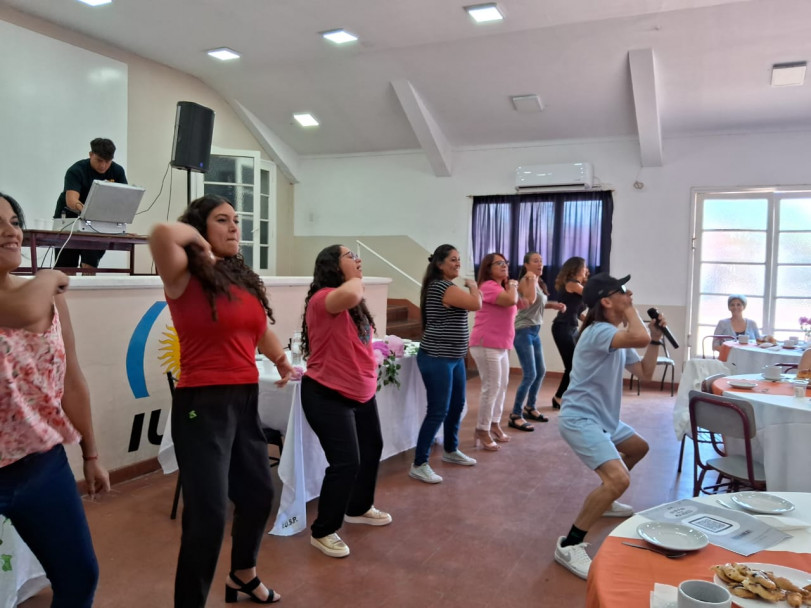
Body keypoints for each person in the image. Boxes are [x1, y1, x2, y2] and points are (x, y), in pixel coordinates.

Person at [149, 194, 291, 606]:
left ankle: (243, 575)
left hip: (244, 399)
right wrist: (200, 243)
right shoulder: (184, 275)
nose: (234, 227)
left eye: (236, 221)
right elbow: (160, 232)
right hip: (201, 405)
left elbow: (258, 327)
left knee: (258, 495)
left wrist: (281, 359)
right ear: (200, 228)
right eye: (222, 220)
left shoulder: (242, 279)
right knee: (208, 516)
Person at [0, 191, 110, 607]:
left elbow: (70, 381)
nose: (10, 231)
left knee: (79, 576)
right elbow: (27, 308)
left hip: (40, 464)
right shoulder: (39, 294)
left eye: (14, 221)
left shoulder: (48, 299)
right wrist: (49, 277)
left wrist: (91, 453)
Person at [553, 273, 665, 580]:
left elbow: (645, 373)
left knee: (638, 447)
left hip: (603, 419)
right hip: (580, 419)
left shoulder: (613, 334)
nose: (630, 294)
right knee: (618, 479)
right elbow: (637, 335)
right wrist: (633, 312)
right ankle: (570, 544)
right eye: (623, 291)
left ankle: (607, 496)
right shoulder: (599, 331)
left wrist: (655, 337)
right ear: (606, 300)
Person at [300, 245, 391, 558]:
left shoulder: (352, 304)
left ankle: (358, 507)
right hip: (326, 393)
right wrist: (353, 277)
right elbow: (352, 293)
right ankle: (323, 530)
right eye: (350, 256)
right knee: (346, 462)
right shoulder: (323, 297)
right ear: (332, 266)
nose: (358, 260)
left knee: (372, 448)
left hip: (360, 392)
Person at [409, 245, 482, 484]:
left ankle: (451, 450)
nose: (458, 263)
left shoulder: (446, 286)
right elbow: (476, 304)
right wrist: (473, 286)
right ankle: (419, 463)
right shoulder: (442, 286)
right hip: (437, 357)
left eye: (459, 259)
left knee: (457, 405)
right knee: (438, 410)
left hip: (454, 357)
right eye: (453, 260)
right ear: (440, 264)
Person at [469, 252, 536, 450]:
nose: (504, 265)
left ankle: (494, 423)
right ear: (488, 269)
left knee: (502, 385)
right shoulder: (488, 286)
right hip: (485, 343)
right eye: (498, 263)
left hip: (501, 344)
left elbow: (525, 302)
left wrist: (532, 280)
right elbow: (509, 301)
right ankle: (481, 429)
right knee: (491, 386)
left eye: (505, 262)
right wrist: (514, 285)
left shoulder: (502, 288)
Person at [509, 252, 566, 430]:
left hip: (534, 330)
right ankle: (515, 414)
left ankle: (530, 407)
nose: (540, 264)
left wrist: (553, 304)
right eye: (535, 261)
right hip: (523, 330)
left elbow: (537, 303)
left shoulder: (536, 282)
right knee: (530, 374)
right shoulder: (527, 280)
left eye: (541, 261)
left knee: (540, 371)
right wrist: (532, 280)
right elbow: (529, 300)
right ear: (526, 265)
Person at [53, 138, 128, 269]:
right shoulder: (76, 170)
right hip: (70, 220)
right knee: (66, 268)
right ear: (91, 154)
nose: (103, 166)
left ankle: (87, 288)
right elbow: (72, 201)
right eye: (99, 160)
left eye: (108, 162)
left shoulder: (117, 171)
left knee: (90, 264)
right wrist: (92, 212)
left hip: (97, 224)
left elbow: (123, 199)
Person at [551, 257, 589, 409]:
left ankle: (568, 397)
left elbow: (578, 312)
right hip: (563, 327)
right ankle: (558, 398)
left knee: (577, 365)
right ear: (577, 269)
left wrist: (590, 320)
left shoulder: (576, 286)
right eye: (584, 267)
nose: (586, 270)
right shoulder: (572, 284)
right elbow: (591, 294)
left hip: (571, 327)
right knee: (572, 366)